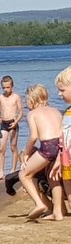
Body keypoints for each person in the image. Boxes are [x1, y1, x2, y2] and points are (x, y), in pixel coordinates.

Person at [18, 84, 63, 220]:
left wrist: (26, 153)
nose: (26, 105)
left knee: (24, 174)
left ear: (32, 100)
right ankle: (58, 212)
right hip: (61, 145)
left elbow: (33, 136)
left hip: (48, 146)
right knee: (53, 176)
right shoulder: (56, 110)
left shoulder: (32, 114)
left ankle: (39, 204)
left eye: (26, 101)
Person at [0, 75, 23, 181]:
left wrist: (16, 122)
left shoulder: (16, 97)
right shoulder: (0, 97)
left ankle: (13, 170)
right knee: (1, 148)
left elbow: (20, 112)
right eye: (4, 88)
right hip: (3, 124)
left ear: (12, 86)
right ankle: (1, 172)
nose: (6, 90)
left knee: (13, 146)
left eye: (8, 87)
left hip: (13, 123)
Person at [53, 66, 71, 208]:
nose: (59, 94)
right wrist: (59, 159)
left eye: (62, 90)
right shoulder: (66, 112)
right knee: (67, 183)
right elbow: (61, 137)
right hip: (66, 156)